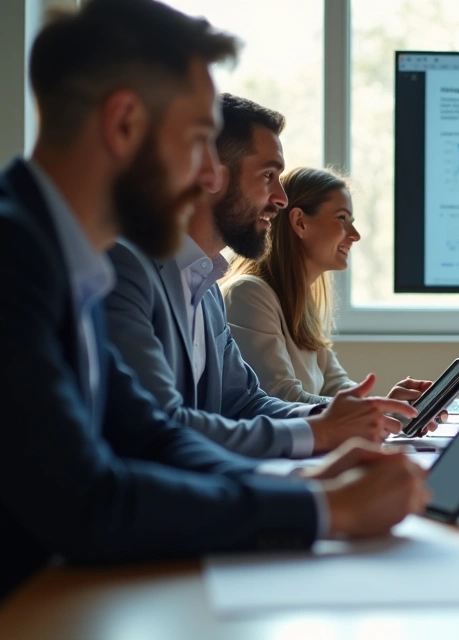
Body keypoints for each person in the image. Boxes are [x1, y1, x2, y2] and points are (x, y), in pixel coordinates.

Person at [0, 0, 427, 598]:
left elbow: (149, 434)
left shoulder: (63, 259)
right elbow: (90, 500)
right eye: (200, 140)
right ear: (124, 124)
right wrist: (327, 513)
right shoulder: (16, 259)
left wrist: (307, 489)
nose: (209, 175)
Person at [104, 94, 413, 458]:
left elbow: (245, 402)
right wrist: (319, 433)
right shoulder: (126, 268)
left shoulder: (207, 290)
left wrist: (332, 419)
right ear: (209, 174)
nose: (281, 199)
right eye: (268, 176)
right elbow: (162, 422)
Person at [222, 167, 402, 404]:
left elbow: (335, 385)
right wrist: (375, 409)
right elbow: (282, 399)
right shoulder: (248, 294)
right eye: (342, 218)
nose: (355, 235)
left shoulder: (299, 299)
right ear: (299, 222)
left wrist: (393, 405)